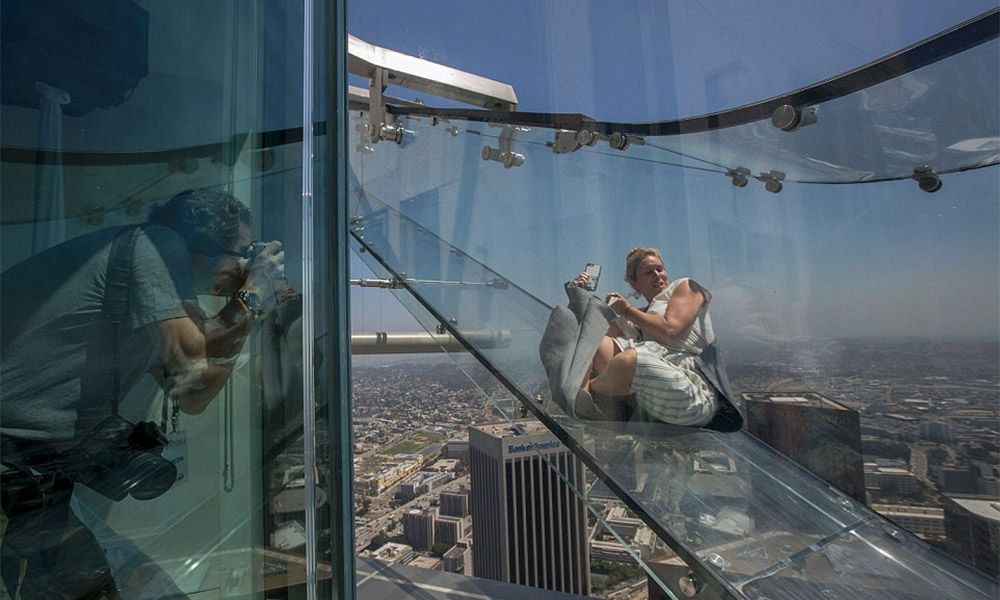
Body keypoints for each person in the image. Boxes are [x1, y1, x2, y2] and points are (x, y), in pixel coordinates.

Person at [0, 188, 284, 599]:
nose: (243, 264)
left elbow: (195, 392)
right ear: (201, 244)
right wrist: (254, 293)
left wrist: (250, 301)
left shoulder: (151, 298)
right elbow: (193, 362)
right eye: (242, 251)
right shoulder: (157, 242)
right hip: (18, 464)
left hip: (30, 469)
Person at [572, 247, 725, 428]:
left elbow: (670, 330)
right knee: (596, 344)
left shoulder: (685, 287)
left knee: (631, 360)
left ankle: (586, 395)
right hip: (653, 399)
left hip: (693, 394)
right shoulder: (638, 318)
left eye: (660, 269)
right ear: (633, 282)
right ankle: (587, 399)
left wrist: (627, 311)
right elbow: (588, 336)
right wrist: (578, 296)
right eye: (648, 272)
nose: (657, 275)